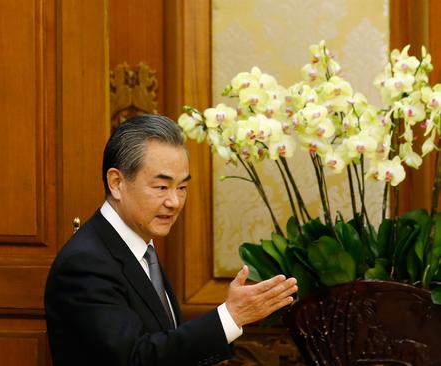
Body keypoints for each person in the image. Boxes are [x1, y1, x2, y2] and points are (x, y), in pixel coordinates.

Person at [45, 114, 297, 366]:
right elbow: (134, 358)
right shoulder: (85, 263)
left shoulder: (142, 248)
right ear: (116, 182)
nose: (174, 202)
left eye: (182, 188)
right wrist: (230, 316)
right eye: (161, 187)